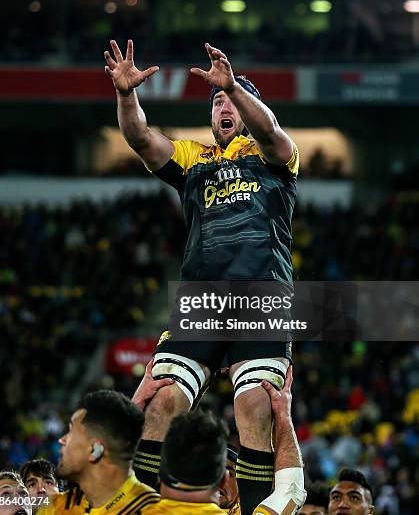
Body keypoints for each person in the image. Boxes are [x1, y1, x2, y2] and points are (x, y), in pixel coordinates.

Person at [104, 39, 299, 509]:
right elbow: (141, 140)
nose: (223, 107)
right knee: (162, 401)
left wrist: (232, 83)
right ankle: (147, 508)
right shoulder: (195, 160)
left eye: (231, 99)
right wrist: (127, 95)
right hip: (202, 302)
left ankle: (253, 509)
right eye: (216, 102)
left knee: (255, 404)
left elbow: (269, 128)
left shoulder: (277, 156)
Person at [144, 365, 306, 515]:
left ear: (165, 473)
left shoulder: (137, 506)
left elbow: (119, 458)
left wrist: (139, 400)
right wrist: (283, 414)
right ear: (222, 479)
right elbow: (291, 491)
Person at [38, 390, 159, 515]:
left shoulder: (156, 510)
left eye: (71, 431)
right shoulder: (54, 508)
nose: (62, 439)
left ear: (95, 450)